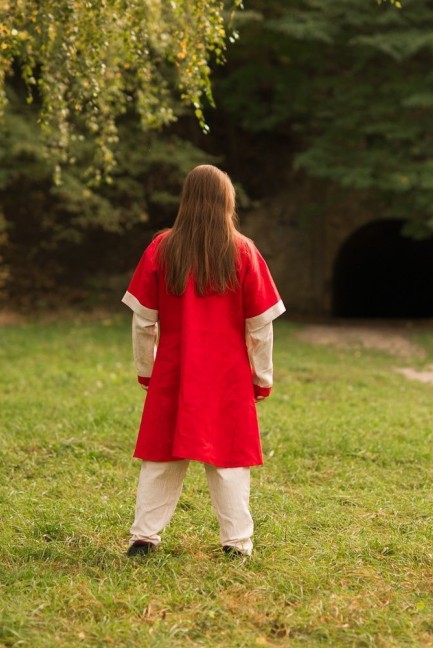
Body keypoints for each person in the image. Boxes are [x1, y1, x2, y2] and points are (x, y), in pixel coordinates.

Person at [121, 164, 285, 558]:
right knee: (228, 457)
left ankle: (143, 537)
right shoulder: (243, 250)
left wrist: (147, 369)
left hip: (174, 371)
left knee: (162, 455)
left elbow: (143, 321)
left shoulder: (162, 248)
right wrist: (262, 377)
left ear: (186, 200)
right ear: (227, 201)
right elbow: (260, 327)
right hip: (227, 376)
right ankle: (237, 544)